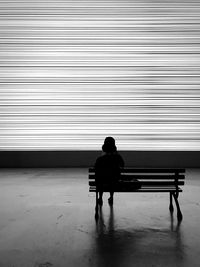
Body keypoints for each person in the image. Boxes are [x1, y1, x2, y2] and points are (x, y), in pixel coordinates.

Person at [94, 137, 124, 206]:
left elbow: (96, 169)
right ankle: (111, 197)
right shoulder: (117, 157)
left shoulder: (100, 159)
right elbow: (122, 165)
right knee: (113, 178)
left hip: (101, 183)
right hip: (114, 183)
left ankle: (100, 197)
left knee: (101, 179)